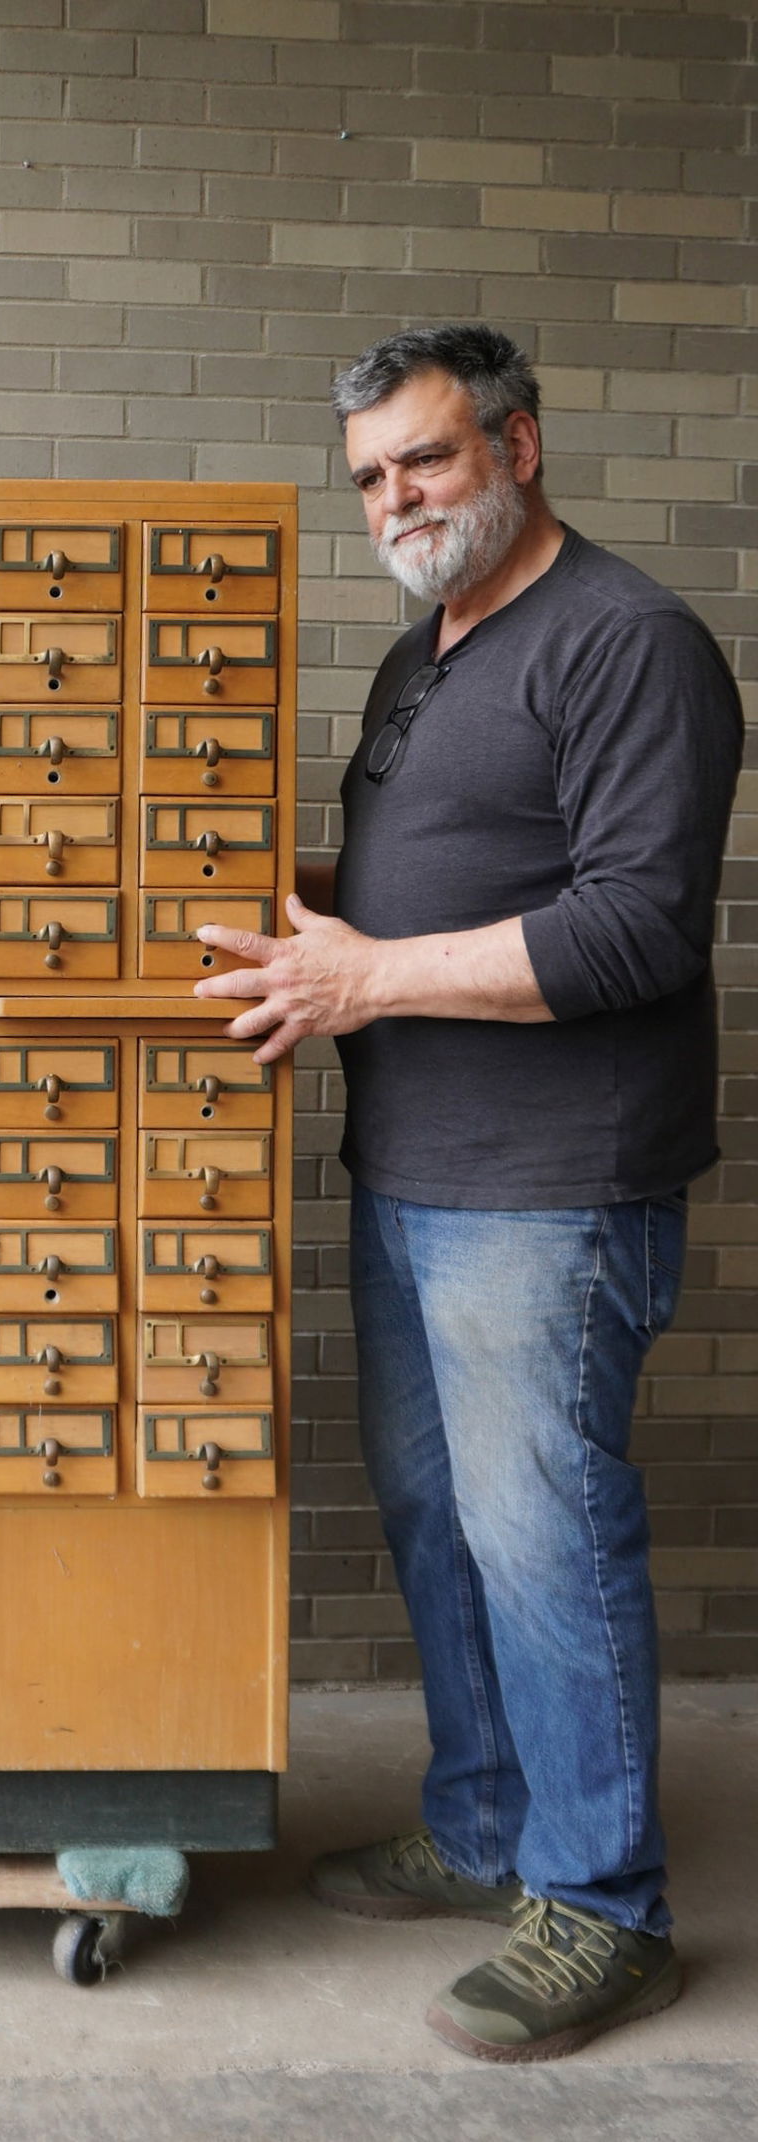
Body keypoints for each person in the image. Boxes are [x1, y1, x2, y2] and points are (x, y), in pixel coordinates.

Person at [193, 323, 742, 2063]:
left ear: (517, 443)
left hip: (551, 1189)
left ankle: (603, 1904)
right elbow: (400, 887)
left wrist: (366, 980)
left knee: (544, 1534)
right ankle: (488, 1817)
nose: (394, 499)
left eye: (423, 459)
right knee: (440, 1522)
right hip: (418, 1169)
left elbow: (634, 925)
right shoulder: (427, 654)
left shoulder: (631, 643)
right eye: (368, 476)